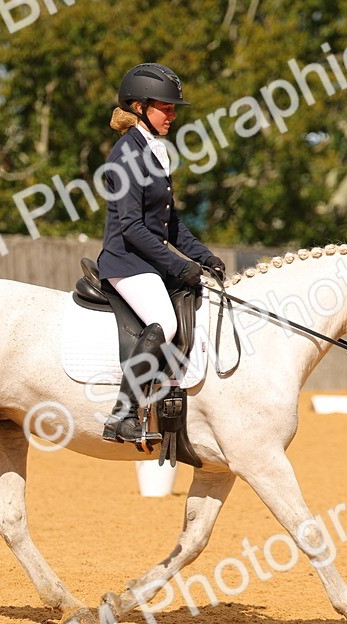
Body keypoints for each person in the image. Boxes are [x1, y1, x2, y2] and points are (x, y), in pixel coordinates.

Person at [96, 63, 225, 444]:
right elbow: (132, 228)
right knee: (164, 323)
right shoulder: (125, 155)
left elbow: (169, 225)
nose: (172, 115)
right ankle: (122, 414)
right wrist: (178, 266)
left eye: (173, 109)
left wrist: (204, 257)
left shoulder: (153, 150)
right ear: (139, 107)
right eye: (165, 108)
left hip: (148, 260)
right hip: (125, 260)